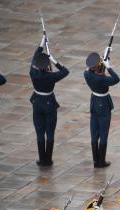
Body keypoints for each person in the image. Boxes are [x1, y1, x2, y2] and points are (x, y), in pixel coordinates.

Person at [29, 35, 69, 166]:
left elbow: (35, 57)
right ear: (47, 66)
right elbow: (65, 71)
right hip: (49, 103)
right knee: (50, 133)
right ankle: (48, 159)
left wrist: (41, 44)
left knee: (40, 133)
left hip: (37, 103)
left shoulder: (33, 73)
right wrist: (54, 60)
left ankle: (42, 159)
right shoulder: (52, 76)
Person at [84, 51, 120, 168]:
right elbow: (116, 79)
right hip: (103, 104)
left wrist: (101, 63)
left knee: (94, 134)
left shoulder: (87, 74)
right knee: (103, 134)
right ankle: (101, 161)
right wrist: (108, 67)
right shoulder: (102, 79)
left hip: (94, 103)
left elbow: (91, 70)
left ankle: (95, 161)